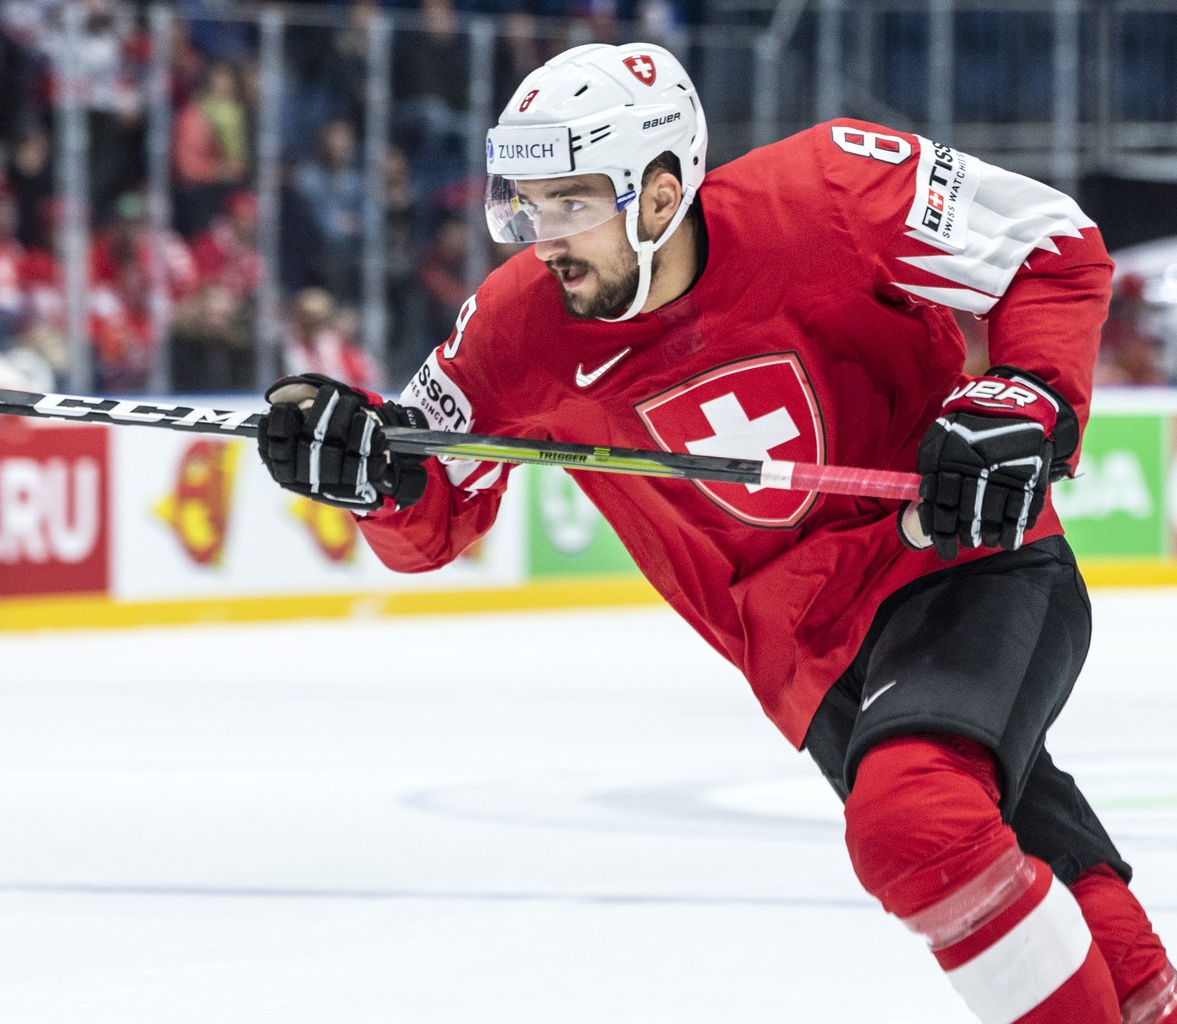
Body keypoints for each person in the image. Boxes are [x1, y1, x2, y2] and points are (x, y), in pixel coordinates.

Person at [254, 42, 1177, 1024]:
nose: (541, 238)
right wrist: (365, 472)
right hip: (809, 662)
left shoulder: (831, 190)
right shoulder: (516, 330)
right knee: (1023, 845)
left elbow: (1050, 241)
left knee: (919, 820)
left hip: (957, 557)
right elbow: (431, 507)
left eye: (570, 204)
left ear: (659, 194)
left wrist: (1024, 392)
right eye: (524, 203)